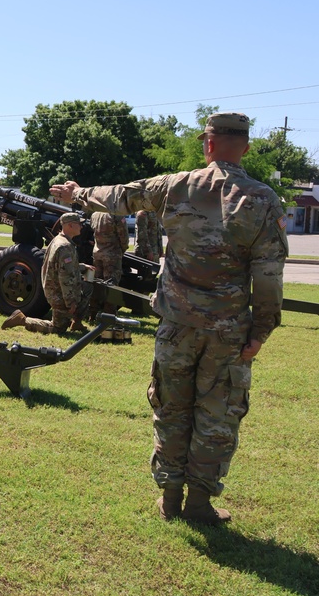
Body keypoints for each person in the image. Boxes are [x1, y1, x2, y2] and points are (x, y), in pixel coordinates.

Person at [49, 112, 288, 525]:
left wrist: (77, 191)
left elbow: (118, 196)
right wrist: (261, 329)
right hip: (228, 331)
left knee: (171, 408)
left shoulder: (176, 186)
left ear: (207, 144)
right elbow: (269, 274)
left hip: (176, 325)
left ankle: (171, 499)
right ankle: (198, 504)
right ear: (246, 147)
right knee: (217, 414)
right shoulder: (263, 199)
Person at [1, 212, 91, 334]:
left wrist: (82, 267)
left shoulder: (59, 240)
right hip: (58, 293)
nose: (81, 227)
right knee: (58, 328)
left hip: (55, 289)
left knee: (88, 287)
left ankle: (77, 323)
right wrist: (71, 302)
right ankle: (22, 320)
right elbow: (65, 277)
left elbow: (62, 267)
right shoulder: (64, 246)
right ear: (70, 226)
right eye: (79, 224)